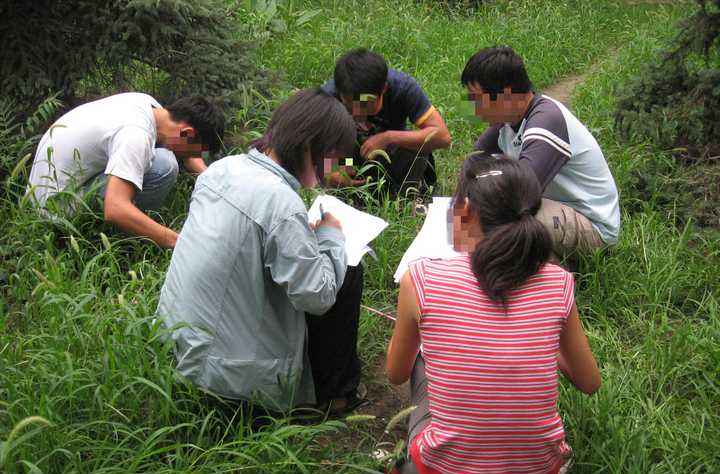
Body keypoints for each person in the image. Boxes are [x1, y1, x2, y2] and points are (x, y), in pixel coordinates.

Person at [384, 154, 602, 474]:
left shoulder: (420, 278)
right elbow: (590, 382)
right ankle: (535, 462)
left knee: (423, 360)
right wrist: (544, 349)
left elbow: (394, 373)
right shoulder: (558, 282)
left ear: (465, 210)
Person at [156, 88, 366, 414]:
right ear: (312, 148)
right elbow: (318, 297)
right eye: (333, 157)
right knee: (347, 269)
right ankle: (333, 395)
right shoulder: (280, 203)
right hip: (231, 377)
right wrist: (330, 237)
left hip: (177, 345)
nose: (334, 168)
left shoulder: (222, 169)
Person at [461, 46, 620, 255]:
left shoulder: (547, 120)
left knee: (508, 222)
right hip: (554, 208)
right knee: (471, 219)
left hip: (593, 225)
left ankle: (542, 281)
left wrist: (476, 208)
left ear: (506, 95)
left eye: (477, 99)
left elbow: (522, 192)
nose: (474, 109)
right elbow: (471, 166)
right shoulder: (505, 123)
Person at [27, 93, 225, 249]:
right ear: (187, 132)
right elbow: (115, 209)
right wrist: (179, 242)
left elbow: (187, 153)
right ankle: (124, 240)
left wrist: (215, 185)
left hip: (45, 190)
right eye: (198, 151)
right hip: (55, 209)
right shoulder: (136, 135)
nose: (195, 156)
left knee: (165, 157)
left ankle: (137, 226)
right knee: (165, 167)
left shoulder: (148, 105)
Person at [321, 48, 451, 198]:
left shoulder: (402, 88)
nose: (356, 114)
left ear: (383, 89)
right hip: (349, 159)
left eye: (364, 106)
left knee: (417, 147)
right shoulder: (327, 97)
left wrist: (388, 137)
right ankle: (347, 194)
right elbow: (311, 145)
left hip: (390, 157)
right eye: (349, 107)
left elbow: (442, 136)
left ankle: (405, 198)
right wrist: (329, 170)